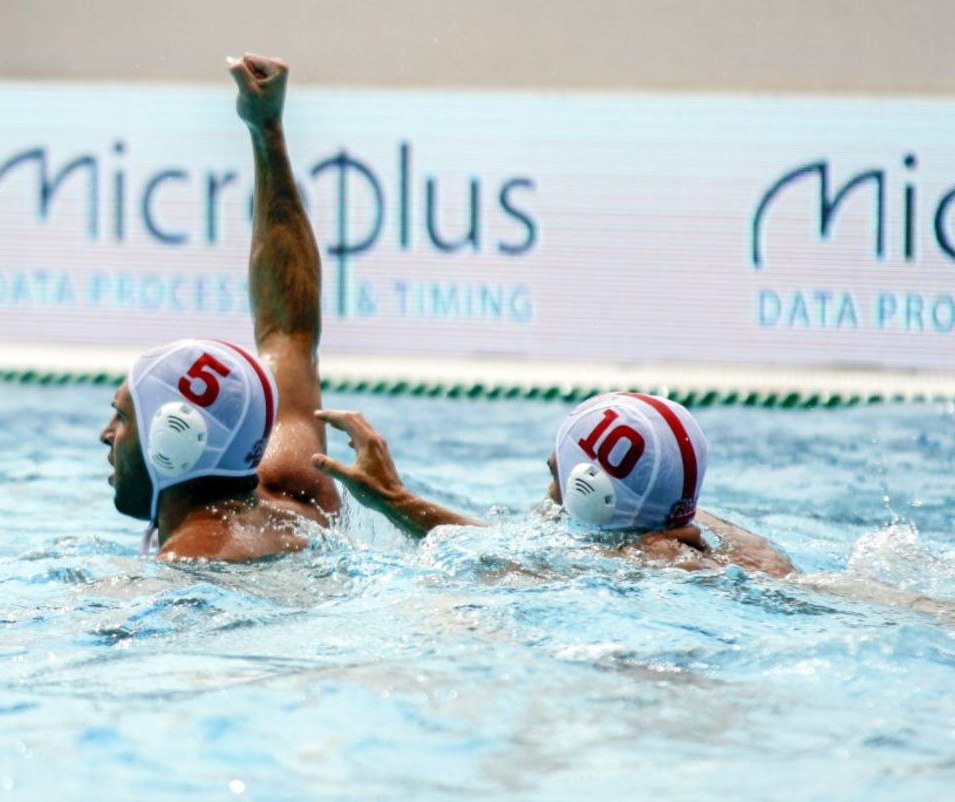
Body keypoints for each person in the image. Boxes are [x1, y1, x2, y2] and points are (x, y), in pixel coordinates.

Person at [99, 53, 340, 561]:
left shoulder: (181, 571)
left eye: (123, 417)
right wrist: (266, 127)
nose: (106, 435)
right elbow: (289, 331)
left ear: (173, 438)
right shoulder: (300, 492)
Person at [311, 391, 796, 577]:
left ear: (594, 493)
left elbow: (498, 559)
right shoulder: (708, 533)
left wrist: (394, 499)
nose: (549, 490)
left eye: (556, 474)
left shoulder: (646, 565)